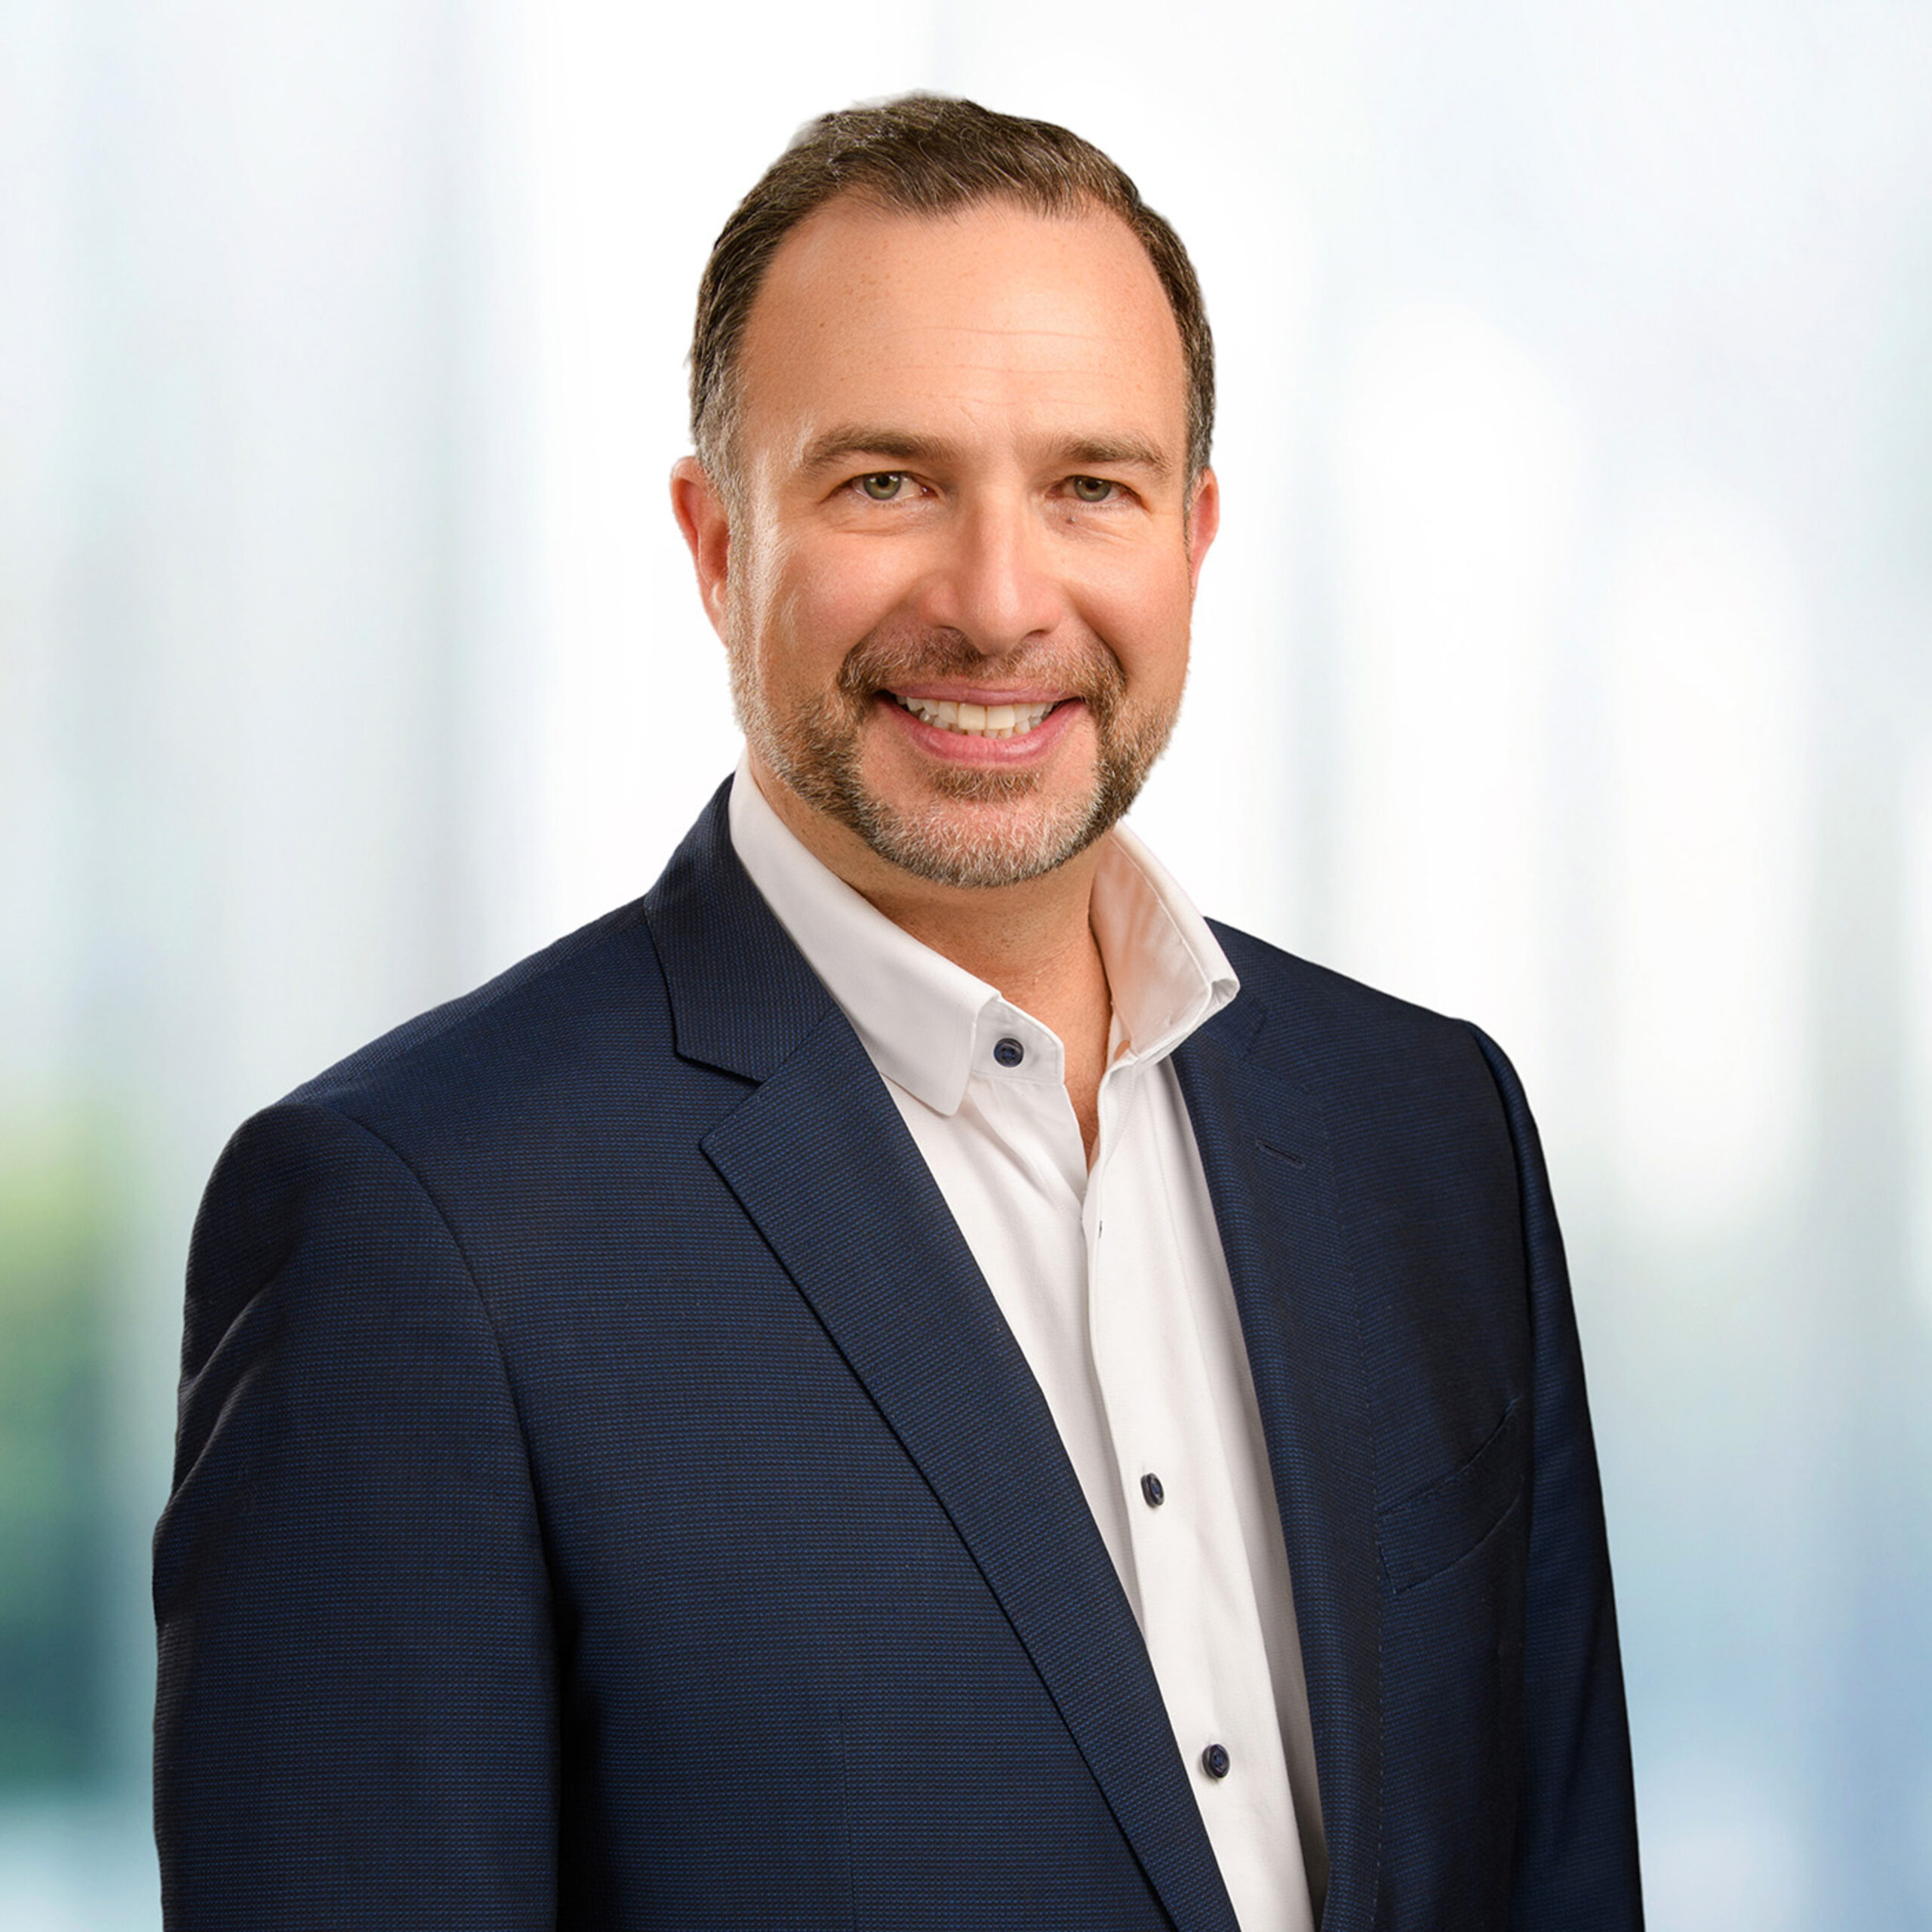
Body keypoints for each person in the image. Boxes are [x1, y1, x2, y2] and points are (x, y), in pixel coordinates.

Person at [153, 94, 1642, 1931]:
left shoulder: (1427, 1132)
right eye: (885, 482)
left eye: (1086, 485)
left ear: (1191, 535)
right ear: (716, 546)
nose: (998, 601)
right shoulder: (419, 1224)